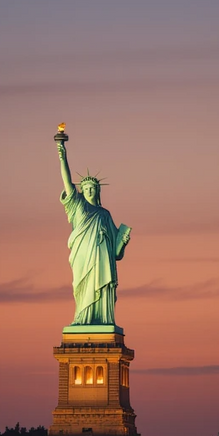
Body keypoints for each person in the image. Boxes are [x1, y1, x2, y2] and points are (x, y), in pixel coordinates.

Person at [57, 140, 131, 326]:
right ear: (82, 191)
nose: (89, 191)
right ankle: (82, 318)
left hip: (103, 259)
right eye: (86, 188)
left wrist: (123, 241)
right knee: (82, 287)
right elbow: (67, 182)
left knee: (103, 286)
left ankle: (103, 319)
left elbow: (116, 253)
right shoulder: (77, 205)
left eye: (93, 189)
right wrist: (62, 156)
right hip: (83, 256)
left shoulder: (105, 214)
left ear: (97, 191)